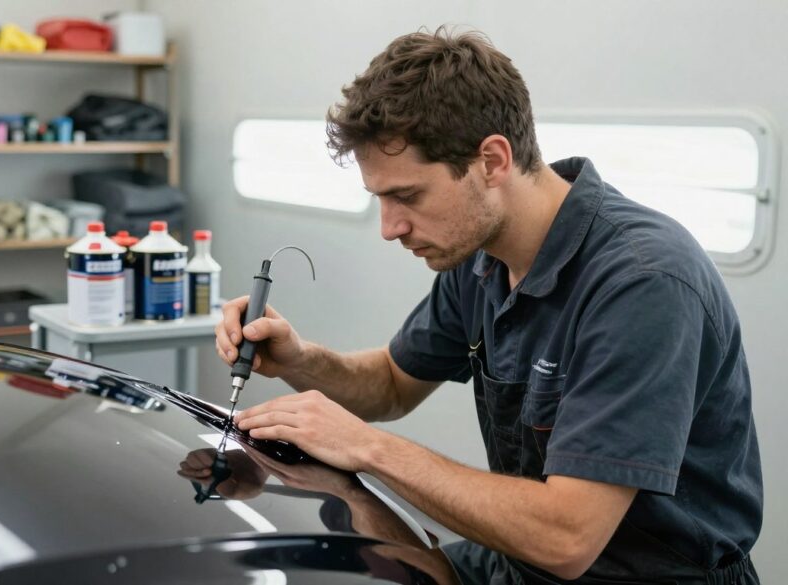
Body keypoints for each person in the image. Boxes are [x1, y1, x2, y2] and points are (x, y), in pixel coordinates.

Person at [214, 27, 762, 585]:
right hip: (521, 563)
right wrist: (299, 359)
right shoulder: (480, 260)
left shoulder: (643, 283)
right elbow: (391, 384)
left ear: (493, 161)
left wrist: (367, 447)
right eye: (379, 199)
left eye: (407, 196)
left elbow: (567, 538)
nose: (389, 228)